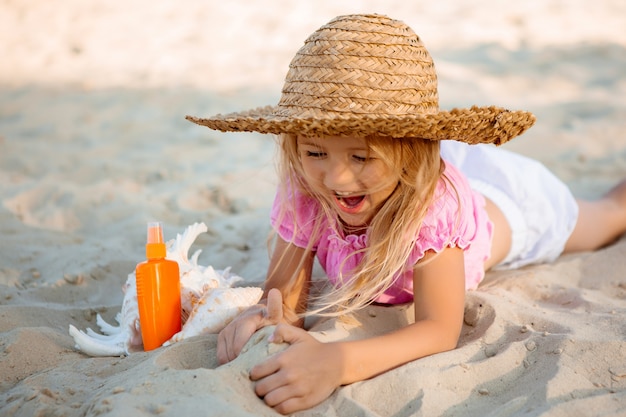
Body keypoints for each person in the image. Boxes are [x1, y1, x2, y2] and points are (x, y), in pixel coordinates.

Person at [186, 13, 626, 414]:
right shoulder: (306, 185)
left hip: (512, 207)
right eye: (316, 151)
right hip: (403, 167)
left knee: (609, 215)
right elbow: (284, 300)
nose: (337, 178)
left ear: (408, 153)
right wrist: (261, 320)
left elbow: (439, 329)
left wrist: (338, 361)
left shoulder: (435, 208)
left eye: (358, 157)